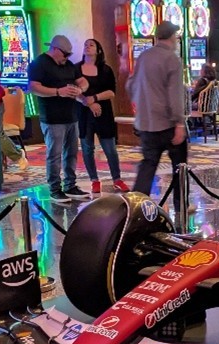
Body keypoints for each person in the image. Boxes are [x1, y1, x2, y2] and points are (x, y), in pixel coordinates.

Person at [128, 21, 188, 215]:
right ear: (172, 37)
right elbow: (175, 95)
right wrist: (179, 122)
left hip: (146, 123)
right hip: (167, 123)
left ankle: (136, 207)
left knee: (148, 164)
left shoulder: (143, 57)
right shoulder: (172, 59)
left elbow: (130, 85)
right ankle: (181, 205)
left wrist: (143, 106)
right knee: (180, 166)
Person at [28, 35, 89, 203]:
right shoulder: (39, 63)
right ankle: (55, 189)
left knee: (72, 153)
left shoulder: (68, 65)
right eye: (65, 54)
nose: (67, 57)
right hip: (52, 117)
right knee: (54, 154)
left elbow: (83, 81)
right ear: (55, 49)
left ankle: (70, 185)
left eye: (69, 54)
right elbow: (33, 87)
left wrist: (80, 89)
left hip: (71, 115)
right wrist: (57, 92)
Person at [77, 38, 129, 195]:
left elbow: (111, 92)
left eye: (91, 45)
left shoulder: (106, 69)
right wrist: (89, 103)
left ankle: (117, 179)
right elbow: (74, 91)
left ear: (98, 50)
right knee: (87, 148)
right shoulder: (76, 69)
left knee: (110, 148)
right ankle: (94, 180)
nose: (87, 47)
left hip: (103, 112)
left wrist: (95, 98)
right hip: (84, 113)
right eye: (85, 44)